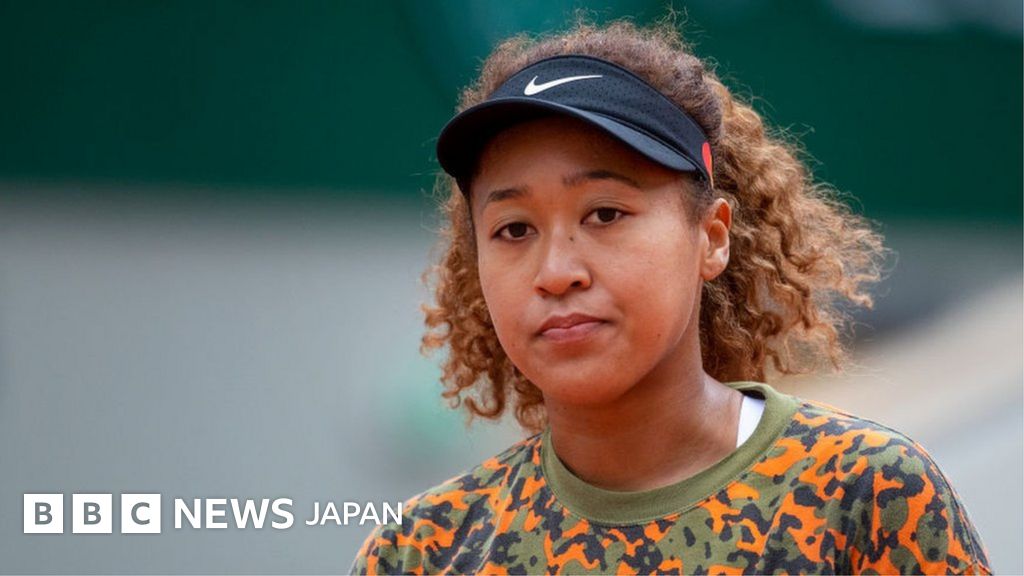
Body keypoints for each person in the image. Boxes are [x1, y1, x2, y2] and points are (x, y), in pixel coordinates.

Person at [350, 19, 992, 575]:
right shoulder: (423, 550)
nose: (557, 272)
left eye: (605, 214)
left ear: (712, 238)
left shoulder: (866, 494)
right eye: (514, 229)